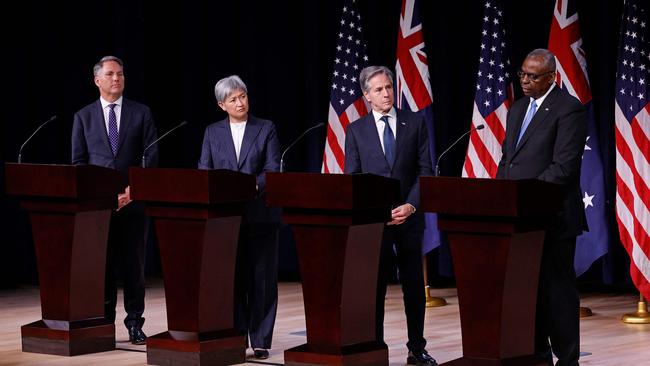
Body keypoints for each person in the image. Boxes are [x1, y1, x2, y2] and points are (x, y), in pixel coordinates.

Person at [497, 48, 587, 366]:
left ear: (552, 77)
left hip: (553, 218)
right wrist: (499, 194)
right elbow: (508, 159)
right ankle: (537, 355)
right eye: (522, 73)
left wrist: (525, 195)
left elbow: (563, 168)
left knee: (557, 292)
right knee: (528, 291)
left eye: (533, 76)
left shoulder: (568, 109)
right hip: (520, 220)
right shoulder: (517, 109)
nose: (525, 80)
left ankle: (568, 359)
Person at [344, 66, 437, 366]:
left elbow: (425, 171)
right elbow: (353, 178)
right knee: (375, 287)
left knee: (413, 285)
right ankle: (375, 346)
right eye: (379, 90)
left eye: (389, 87)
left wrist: (410, 206)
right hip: (376, 222)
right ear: (367, 95)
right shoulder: (356, 131)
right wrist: (379, 212)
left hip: (409, 218)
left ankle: (417, 348)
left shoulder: (416, 122)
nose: (386, 94)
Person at [71, 55, 158, 345]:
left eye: (120, 74)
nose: (116, 79)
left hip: (133, 204)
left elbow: (151, 158)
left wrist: (132, 192)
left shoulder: (141, 113)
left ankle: (135, 323)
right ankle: (104, 324)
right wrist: (103, 197)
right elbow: (79, 164)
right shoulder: (83, 117)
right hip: (98, 208)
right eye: (110, 74)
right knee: (102, 267)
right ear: (98, 80)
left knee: (134, 267)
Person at [198, 75, 281, 360]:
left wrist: (251, 186)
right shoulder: (212, 132)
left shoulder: (265, 127)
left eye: (243, 96)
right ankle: (235, 337)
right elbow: (204, 171)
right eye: (233, 99)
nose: (240, 102)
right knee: (231, 280)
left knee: (262, 280)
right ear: (222, 105)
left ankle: (259, 340)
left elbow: (272, 168)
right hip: (225, 219)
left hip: (260, 215)